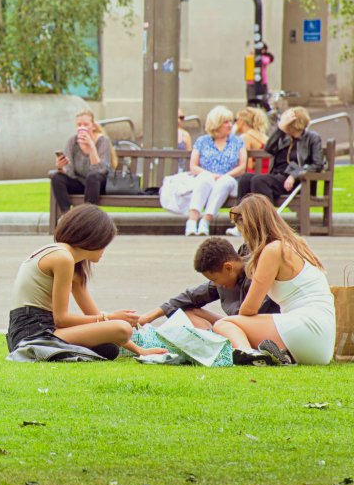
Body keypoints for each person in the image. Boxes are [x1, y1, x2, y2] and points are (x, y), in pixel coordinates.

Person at [6, 204, 166, 358]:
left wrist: (140, 350)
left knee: (110, 347)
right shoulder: (62, 258)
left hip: (39, 329)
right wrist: (112, 318)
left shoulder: (71, 264)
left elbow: (95, 317)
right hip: (32, 333)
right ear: (93, 238)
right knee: (121, 329)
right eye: (105, 242)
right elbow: (61, 319)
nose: (105, 250)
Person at [212, 195, 335, 366]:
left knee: (224, 325)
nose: (244, 237)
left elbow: (248, 309)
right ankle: (278, 355)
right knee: (238, 327)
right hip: (322, 339)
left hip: (305, 329)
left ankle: (249, 354)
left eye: (242, 230)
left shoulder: (273, 250)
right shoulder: (296, 243)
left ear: (250, 226)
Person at [138, 237, 279, 330]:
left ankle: (217, 340)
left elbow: (251, 317)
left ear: (228, 267)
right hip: (233, 326)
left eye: (216, 279)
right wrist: (147, 317)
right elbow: (190, 296)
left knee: (227, 326)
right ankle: (212, 339)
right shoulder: (224, 280)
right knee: (186, 309)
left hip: (261, 328)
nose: (216, 284)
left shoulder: (257, 275)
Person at [237, 107, 323, 204]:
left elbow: (318, 164)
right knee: (245, 179)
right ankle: (241, 216)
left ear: (293, 123)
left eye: (284, 121)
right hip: (278, 178)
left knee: (260, 180)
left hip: (298, 181)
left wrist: (294, 175)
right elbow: (268, 148)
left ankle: (266, 217)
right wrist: (280, 129)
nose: (282, 123)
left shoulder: (312, 138)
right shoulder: (284, 138)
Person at [185, 106, 246, 236]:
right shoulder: (202, 141)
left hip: (230, 180)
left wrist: (223, 176)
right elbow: (193, 166)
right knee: (204, 178)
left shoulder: (237, 141)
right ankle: (192, 221)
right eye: (226, 122)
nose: (230, 125)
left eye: (231, 121)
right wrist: (212, 175)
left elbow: (242, 166)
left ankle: (205, 221)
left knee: (224, 182)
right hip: (207, 178)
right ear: (216, 123)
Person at [50, 108, 112, 214]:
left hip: (98, 185)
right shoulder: (72, 142)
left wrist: (91, 147)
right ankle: (66, 215)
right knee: (56, 177)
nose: (82, 127)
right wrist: (61, 167)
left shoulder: (103, 141)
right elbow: (70, 173)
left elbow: (102, 171)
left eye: (86, 124)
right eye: (79, 125)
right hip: (80, 183)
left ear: (93, 126)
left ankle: (86, 217)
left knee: (92, 176)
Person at [235, 107, 270, 172]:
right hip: (268, 173)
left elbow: (248, 166)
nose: (235, 123)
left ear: (242, 121)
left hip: (254, 176)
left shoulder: (245, 137)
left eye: (236, 120)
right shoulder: (264, 136)